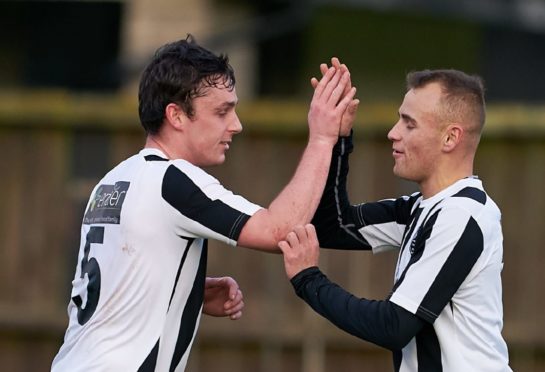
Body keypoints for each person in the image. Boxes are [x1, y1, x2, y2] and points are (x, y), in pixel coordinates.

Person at [51, 35, 358, 371]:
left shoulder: (112, 181)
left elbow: (116, 280)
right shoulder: (173, 179)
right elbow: (279, 231)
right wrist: (323, 137)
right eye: (222, 111)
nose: (236, 125)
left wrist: (188, 291)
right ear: (177, 116)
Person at [279, 69, 512, 371]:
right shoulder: (424, 208)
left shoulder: (463, 215)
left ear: (450, 137)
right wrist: (336, 139)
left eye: (409, 123)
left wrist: (309, 279)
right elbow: (335, 226)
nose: (393, 132)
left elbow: (393, 325)